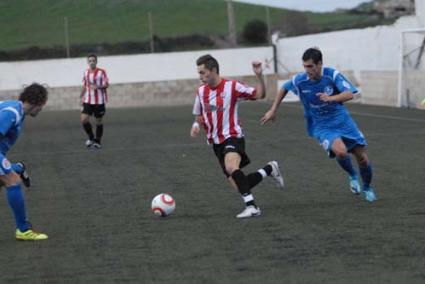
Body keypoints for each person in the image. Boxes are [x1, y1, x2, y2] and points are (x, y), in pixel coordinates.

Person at [261, 47, 377, 202]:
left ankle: (368, 187)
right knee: (341, 151)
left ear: (320, 64)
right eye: (305, 66)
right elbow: (284, 88)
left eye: (310, 66)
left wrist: (331, 98)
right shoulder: (300, 80)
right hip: (322, 125)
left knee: (363, 158)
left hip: (343, 121)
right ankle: (352, 175)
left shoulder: (332, 75)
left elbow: (350, 93)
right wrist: (273, 109)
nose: (307, 70)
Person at [190, 54, 284, 219]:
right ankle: (269, 169)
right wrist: (197, 125)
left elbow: (259, 95)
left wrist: (259, 76)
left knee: (231, 167)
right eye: (198, 73)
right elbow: (199, 114)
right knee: (240, 184)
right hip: (216, 142)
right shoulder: (200, 91)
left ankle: (252, 207)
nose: (200, 76)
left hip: (233, 136)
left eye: (202, 72)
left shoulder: (232, 86)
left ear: (213, 70)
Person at [0, 83, 49, 240]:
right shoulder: (12, 112)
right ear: (36, 102)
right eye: (42, 105)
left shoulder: (15, 109)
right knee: (13, 181)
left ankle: (18, 168)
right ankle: (23, 230)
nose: (41, 109)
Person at [80, 54, 109, 149]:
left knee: (98, 121)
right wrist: (81, 97)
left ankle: (98, 141)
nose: (92, 62)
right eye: (90, 60)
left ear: (96, 61)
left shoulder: (102, 72)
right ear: (88, 62)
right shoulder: (85, 72)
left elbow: (106, 84)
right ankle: (91, 138)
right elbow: (84, 85)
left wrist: (98, 87)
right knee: (83, 119)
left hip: (99, 101)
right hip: (88, 100)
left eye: (93, 60)